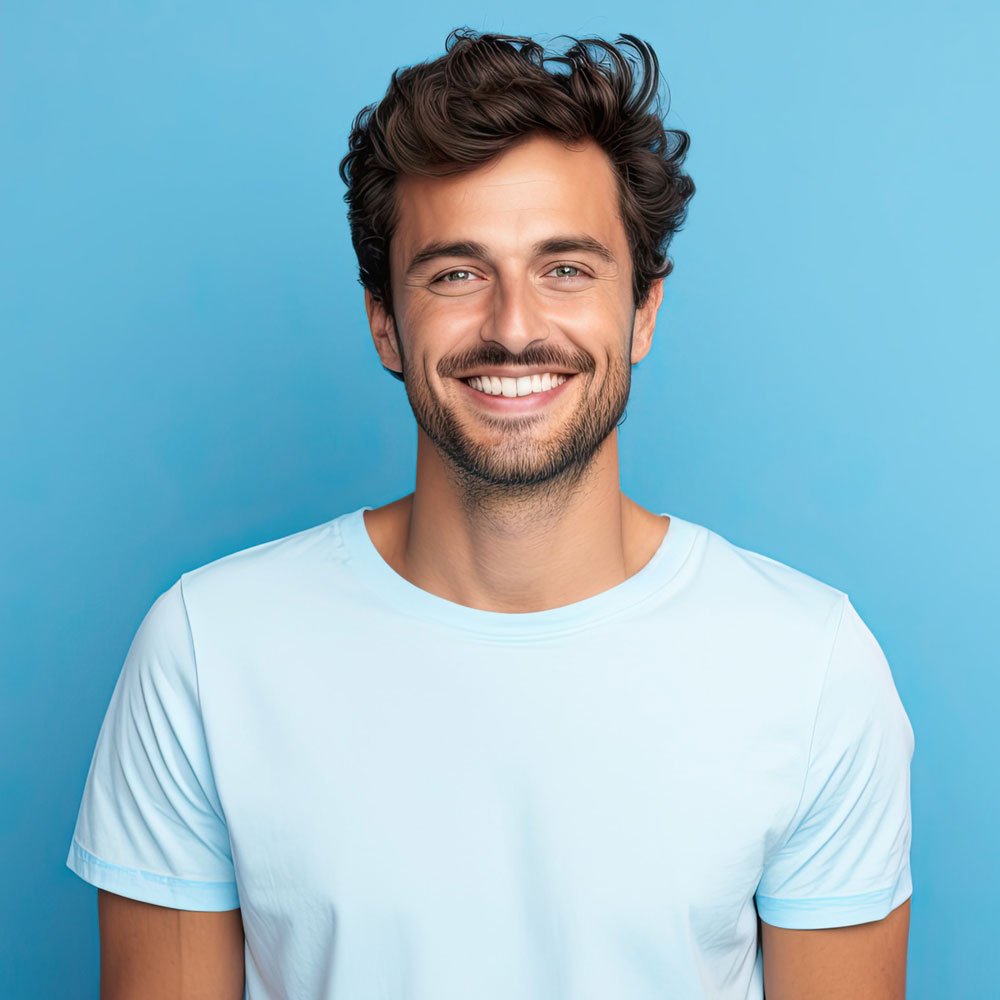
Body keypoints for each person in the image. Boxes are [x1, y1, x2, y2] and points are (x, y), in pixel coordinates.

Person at [66, 28, 914, 1000]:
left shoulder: (809, 665)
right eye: (456, 273)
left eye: (566, 268)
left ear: (642, 312)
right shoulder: (207, 650)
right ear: (385, 321)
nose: (513, 326)